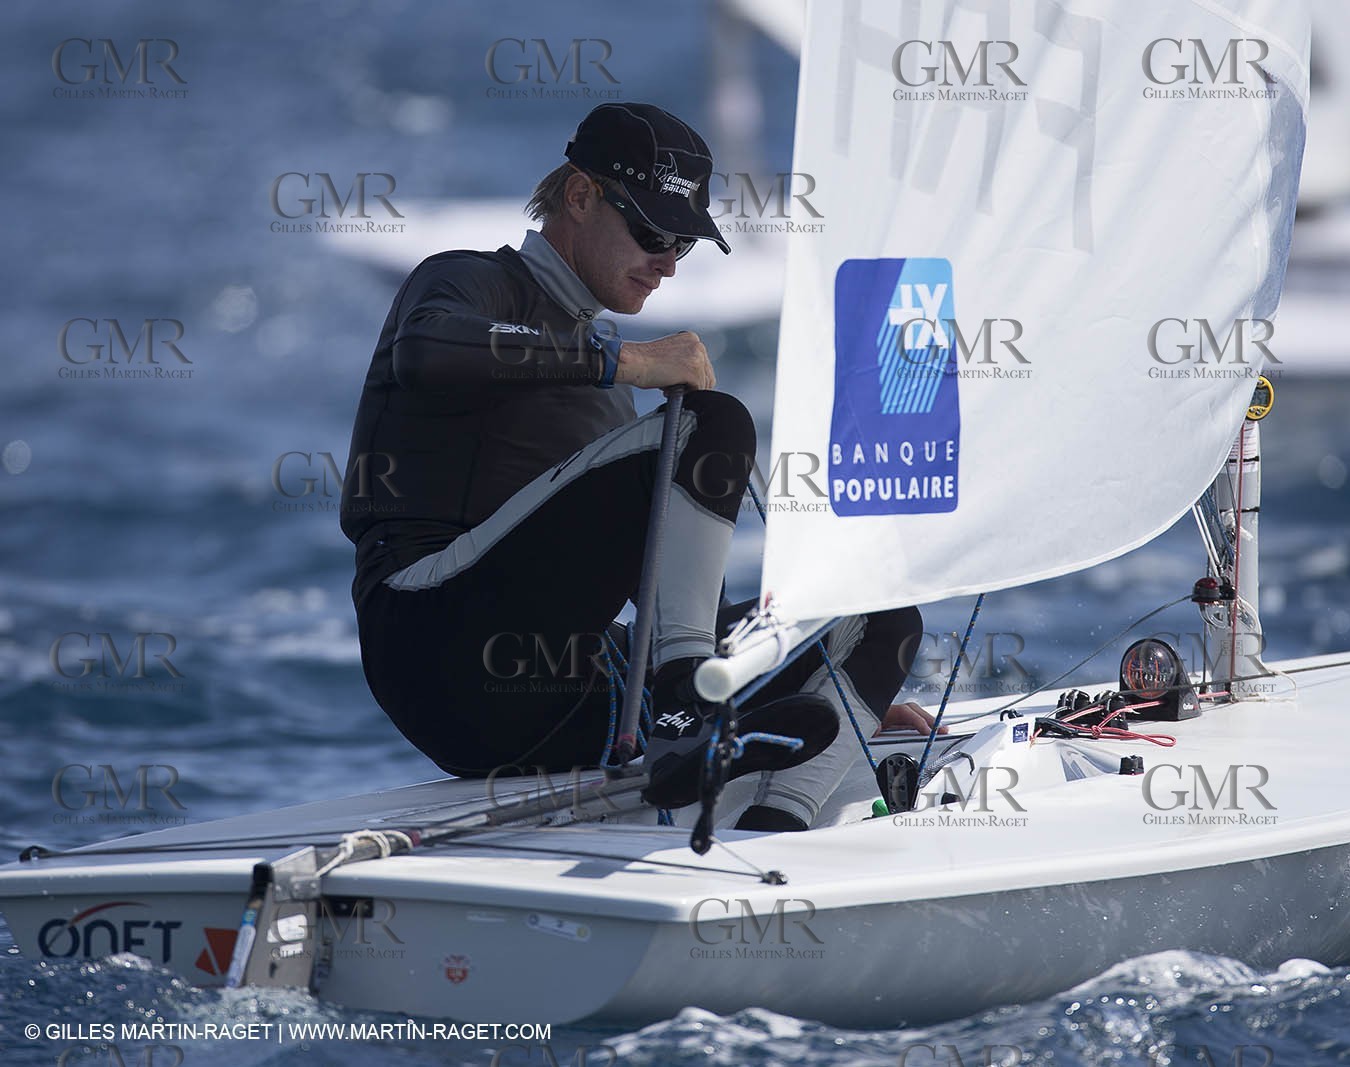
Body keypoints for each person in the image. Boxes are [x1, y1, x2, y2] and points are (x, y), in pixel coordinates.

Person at [340, 101, 933, 827]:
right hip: (434, 646)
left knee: (878, 617)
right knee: (715, 420)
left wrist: (821, 679)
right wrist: (626, 358)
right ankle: (691, 714)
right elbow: (428, 351)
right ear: (582, 196)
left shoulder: (613, 410)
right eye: (653, 232)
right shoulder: (465, 282)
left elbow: (670, 596)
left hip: (560, 705)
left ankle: (775, 831)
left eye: (682, 243)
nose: (667, 264)